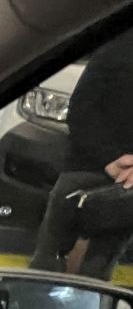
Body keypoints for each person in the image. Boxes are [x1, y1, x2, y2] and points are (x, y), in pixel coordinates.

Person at [29, 28, 133, 279]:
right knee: (100, 266)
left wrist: (109, 159)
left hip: (81, 171)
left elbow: (79, 112)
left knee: (48, 256)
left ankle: (34, 305)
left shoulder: (114, 49)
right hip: (127, 185)